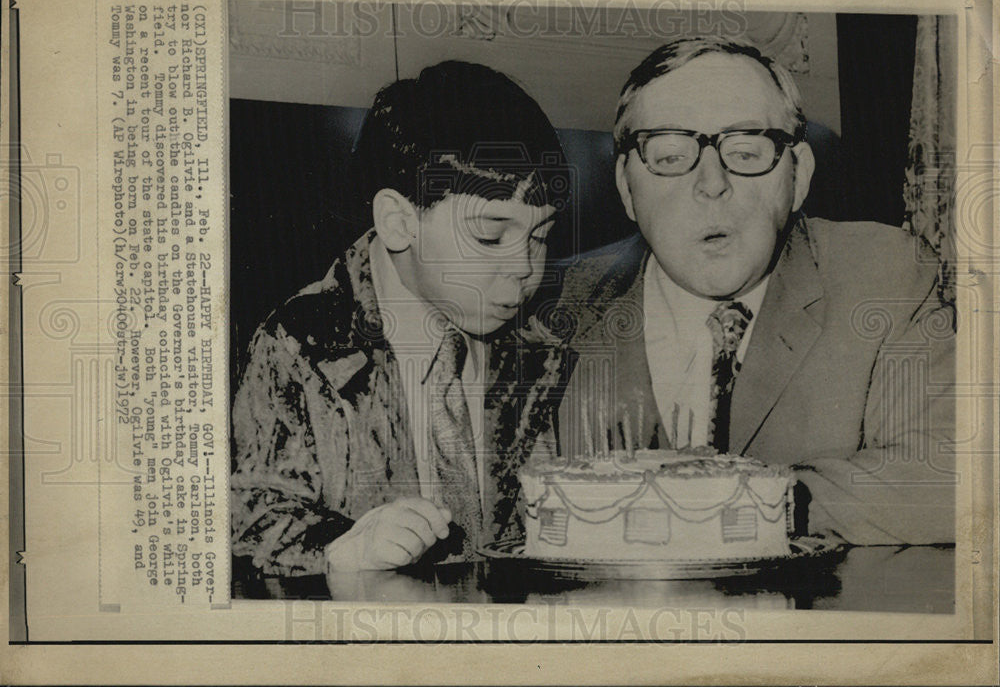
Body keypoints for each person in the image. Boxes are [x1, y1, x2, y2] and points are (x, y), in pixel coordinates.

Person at [550, 37, 954, 545]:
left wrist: (741, 505)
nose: (711, 184)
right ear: (627, 187)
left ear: (798, 176)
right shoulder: (551, 304)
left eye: (745, 152)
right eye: (671, 156)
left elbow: (949, 477)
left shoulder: (884, 278)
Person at [231, 61, 573, 576]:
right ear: (398, 221)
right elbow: (245, 515)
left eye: (540, 235)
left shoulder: (541, 347)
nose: (524, 267)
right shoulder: (301, 344)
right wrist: (342, 547)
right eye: (488, 236)